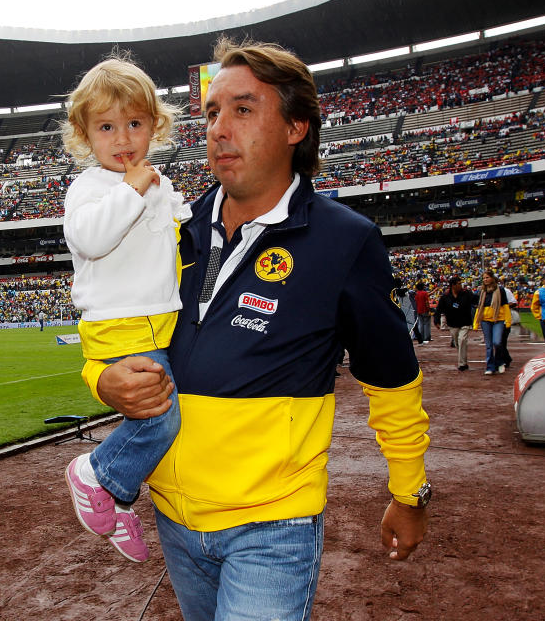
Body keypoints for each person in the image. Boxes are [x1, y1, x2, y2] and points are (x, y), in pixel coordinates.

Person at [84, 39, 430, 620]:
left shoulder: (344, 241)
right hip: (173, 517)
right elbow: (112, 333)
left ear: (296, 126)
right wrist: (103, 381)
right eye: (213, 112)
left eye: (243, 110)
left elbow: (391, 377)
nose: (219, 128)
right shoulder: (167, 225)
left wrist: (409, 490)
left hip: (273, 523)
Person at [60, 54, 188, 563]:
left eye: (134, 124)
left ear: (154, 126)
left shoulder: (160, 184)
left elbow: (182, 235)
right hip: (119, 324)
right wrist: (132, 190)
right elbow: (91, 239)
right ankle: (95, 473)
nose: (122, 139)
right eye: (107, 127)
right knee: (160, 419)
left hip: (161, 321)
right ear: (85, 135)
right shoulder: (89, 189)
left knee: (166, 418)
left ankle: (117, 499)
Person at [472, 271, 512, 375]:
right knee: (488, 345)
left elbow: (505, 306)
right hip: (485, 320)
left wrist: (508, 320)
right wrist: (476, 322)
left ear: (492, 278)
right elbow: (479, 307)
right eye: (484, 278)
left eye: (487, 277)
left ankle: (499, 362)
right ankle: (490, 366)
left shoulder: (500, 290)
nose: (485, 280)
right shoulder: (481, 291)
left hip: (498, 319)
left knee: (497, 342)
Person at [433, 276, 475, 371]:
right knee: (457, 343)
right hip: (452, 324)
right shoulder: (445, 297)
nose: (461, 285)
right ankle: (463, 361)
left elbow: (476, 300)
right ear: (453, 285)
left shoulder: (467, 294)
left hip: (465, 322)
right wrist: (436, 320)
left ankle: (462, 364)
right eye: (459, 284)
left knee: (462, 340)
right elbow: (439, 309)